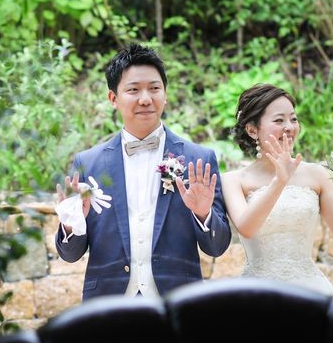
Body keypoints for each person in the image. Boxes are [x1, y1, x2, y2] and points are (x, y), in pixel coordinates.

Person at [55, 43, 231, 300]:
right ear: (113, 99)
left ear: (165, 95)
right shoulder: (88, 164)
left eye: (154, 88)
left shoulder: (198, 159)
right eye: (133, 90)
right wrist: (71, 224)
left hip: (177, 302)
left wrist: (204, 214)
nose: (146, 99)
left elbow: (217, 247)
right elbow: (70, 255)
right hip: (109, 303)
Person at [221, 83, 333, 296]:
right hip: (259, 294)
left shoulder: (317, 174)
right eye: (279, 120)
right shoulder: (234, 180)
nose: (289, 127)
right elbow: (247, 227)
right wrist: (280, 181)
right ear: (252, 130)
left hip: (311, 291)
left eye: (293, 119)